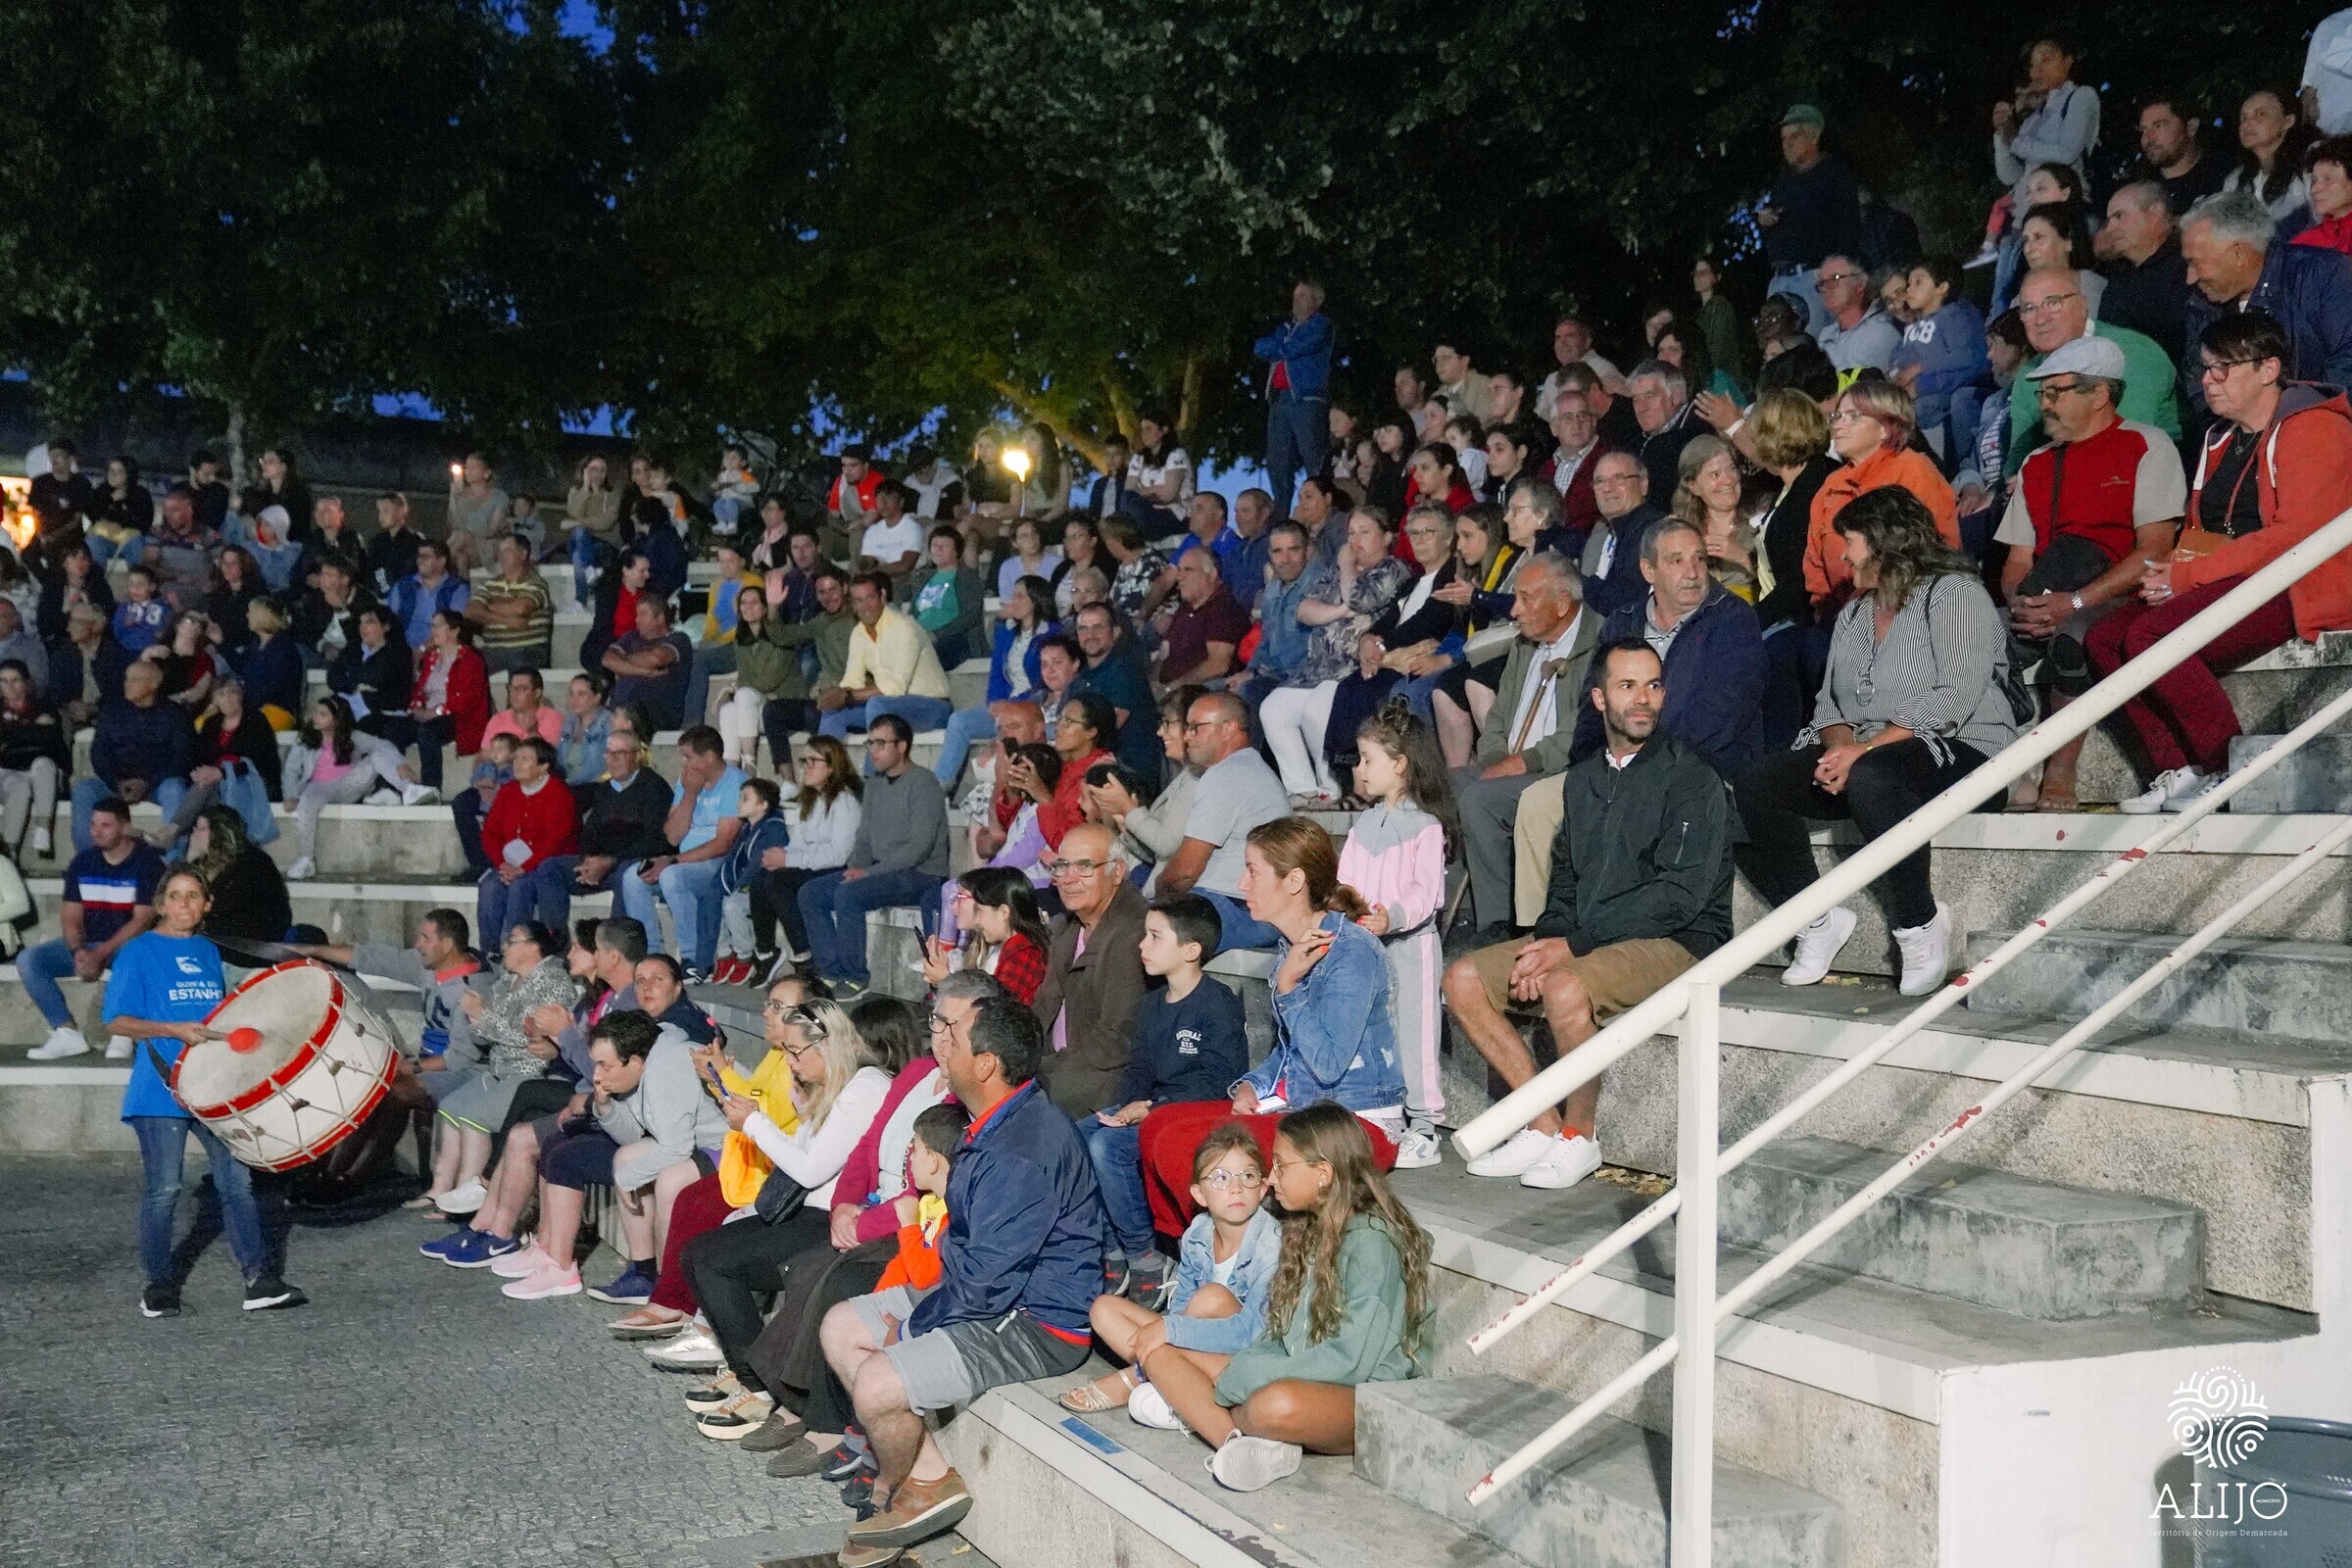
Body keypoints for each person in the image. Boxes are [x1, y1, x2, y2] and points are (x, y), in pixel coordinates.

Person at [816, 997, 1100, 1560]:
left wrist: (911, 1328)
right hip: (986, 1293)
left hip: (1036, 1324)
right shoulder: (999, 1120)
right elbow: (973, 1262)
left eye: (955, 1035)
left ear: (987, 1064)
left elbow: (986, 1286)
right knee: (840, 1326)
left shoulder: (1022, 1150)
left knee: (877, 1382)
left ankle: (897, 1486)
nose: (940, 1043)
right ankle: (928, 1477)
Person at [1741, 487, 2018, 996]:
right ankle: (1815, 920)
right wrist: (1839, 750)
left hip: (1967, 752)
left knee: (1873, 774)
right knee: (1759, 781)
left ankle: (1919, 924)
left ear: (1885, 542)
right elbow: (1831, 706)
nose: (1844, 556)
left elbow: (1955, 697)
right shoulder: (1854, 613)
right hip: (1875, 759)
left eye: (1850, 541)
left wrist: (1863, 752)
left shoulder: (1954, 593)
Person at [2091, 312, 2352, 815]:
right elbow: (2202, 530)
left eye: (2222, 369)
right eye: (2205, 369)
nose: (2208, 381)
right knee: (2104, 637)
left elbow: (2296, 536)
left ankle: (2227, 769)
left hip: (2300, 582)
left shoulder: (2315, 427)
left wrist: (2187, 577)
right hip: (2231, 577)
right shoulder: (2221, 438)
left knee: (2153, 636)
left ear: (2268, 369)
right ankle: (2181, 771)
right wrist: (2170, 574)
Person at [676, 997, 893, 1425]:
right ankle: (748, 1371)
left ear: (827, 1045)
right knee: (696, 1252)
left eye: (795, 1051)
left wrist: (755, 1124)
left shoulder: (865, 1087)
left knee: (716, 1263)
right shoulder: (834, 1084)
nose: (790, 1062)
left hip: (831, 1220)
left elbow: (811, 1170)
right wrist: (783, 1116)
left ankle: (756, 1385)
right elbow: (803, 1157)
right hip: (809, 1209)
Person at [1995, 337, 2188, 812]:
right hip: (2048, 589)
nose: (2044, 403)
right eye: (2042, 393)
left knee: (2075, 635)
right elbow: (2017, 562)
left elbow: (2153, 551)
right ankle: (1998, 767)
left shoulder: (2146, 445)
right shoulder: (2038, 462)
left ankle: (2061, 768)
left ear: (2099, 393)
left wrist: (2074, 602)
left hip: (2117, 594)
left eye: (2055, 392)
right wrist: (2023, 602)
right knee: (1968, 635)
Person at [112, 866, 306, 1316]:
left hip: (213, 1087)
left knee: (237, 1184)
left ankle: (258, 1281)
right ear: (161, 904)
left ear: (206, 905)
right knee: (164, 1189)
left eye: (193, 895)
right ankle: (159, 1285)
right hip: (159, 1089)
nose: (184, 903)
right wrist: (171, 1029)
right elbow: (117, 1021)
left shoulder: (206, 951)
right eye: (175, 895)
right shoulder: (137, 951)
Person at [497, 1005, 731, 1301]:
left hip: (729, 1143)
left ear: (634, 1062)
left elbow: (677, 1147)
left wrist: (626, 1179)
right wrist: (605, 1106)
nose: (596, 1074)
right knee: (625, 1159)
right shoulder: (639, 1062)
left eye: (604, 1066)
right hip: (693, 1140)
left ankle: (667, 1288)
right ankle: (643, 1272)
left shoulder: (667, 1067)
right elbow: (632, 1135)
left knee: (657, 1177)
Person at [1080, 894, 1248, 1302]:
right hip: (1156, 1107)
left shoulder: (1218, 1003)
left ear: (1191, 951)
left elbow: (1221, 1080)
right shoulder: (1153, 1003)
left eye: (1155, 937)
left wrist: (1152, 1108)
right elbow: (1138, 1069)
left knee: (1107, 1148)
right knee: (1080, 1136)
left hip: (1196, 1113)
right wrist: (1123, 1108)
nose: (1143, 945)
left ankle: (1146, 1255)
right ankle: (1111, 1245)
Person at [1060, 1122, 1283, 1415]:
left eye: (1248, 1176)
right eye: (1220, 1177)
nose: (1236, 1188)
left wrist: (1171, 1331)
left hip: (1243, 1358)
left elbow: (1251, 1333)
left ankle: (1137, 1377)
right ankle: (1167, 1375)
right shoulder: (1197, 1234)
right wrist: (1171, 1330)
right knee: (1104, 1309)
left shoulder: (1272, 1245)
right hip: (1195, 1345)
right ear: (1199, 1194)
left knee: (1212, 1297)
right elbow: (1182, 1306)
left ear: (1263, 1188)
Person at [1331, 704, 1455, 1171]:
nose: (1360, 770)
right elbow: (1346, 881)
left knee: (1415, 1031)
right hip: (1366, 946)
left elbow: (1426, 893)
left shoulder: (1425, 826)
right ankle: (1384, 1117)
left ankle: (1424, 1125)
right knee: (1375, 1029)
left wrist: (1393, 917)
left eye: (1368, 760)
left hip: (1410, 947)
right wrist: (1343, 909)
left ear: (1400, 763)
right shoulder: (1364, 825)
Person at [1451, 551, 1597, 936]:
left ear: (1562, 604)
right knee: (1441, 784)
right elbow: (1498, 716)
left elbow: (1582, 729)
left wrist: (1522, 763)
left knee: (1480, 799)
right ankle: (1438, 910)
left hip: (1558, 770)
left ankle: (1499, 925)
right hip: (1512, 764)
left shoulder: (1598, 645)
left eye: (1526, 599)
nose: (1514, 610)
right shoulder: (1525, 644)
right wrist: (1496, 758)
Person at [1261, 507, 1413, 806]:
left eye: (1364, 532)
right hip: (1317, 669)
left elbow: (1361, 599)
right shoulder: (1334, 572)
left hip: (1352, 668)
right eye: (1351, 533)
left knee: (1316, 711)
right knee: (1273, 709)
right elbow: (1304, 610)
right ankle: (1302, 789)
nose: (1355, 540)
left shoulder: (1392, 569)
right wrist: (1343, 610)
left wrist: (1346, 568)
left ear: (1386, 537)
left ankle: (1332, 787)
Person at [424, 920, 577, 1213]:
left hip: (531, 1072)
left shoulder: (552, 981)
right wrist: (476, 1019)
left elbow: (527, 1035)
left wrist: (482, 1016)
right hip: (499, 1070)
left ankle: (472, 1200)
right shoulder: (507, 980)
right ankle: (441, 1190)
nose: (503, 946)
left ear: (533, 948)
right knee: (450, 1107)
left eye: (512, 940)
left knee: (474, 1117)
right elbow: (484, 1035)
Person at [798, 714, 950, 997]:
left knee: (848, 895)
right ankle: (830, 973)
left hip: (921, 874)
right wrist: (855, 867)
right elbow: (864, 838)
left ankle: (855, 977)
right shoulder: (875, 785)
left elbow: (919, 848)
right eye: (870, 743)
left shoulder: (923, 783)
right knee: (811, 893)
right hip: (882, 870)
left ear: (902, 746)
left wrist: (868, 873)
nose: (873, 750)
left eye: (880, 743)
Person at [22, 797, 164, 1061]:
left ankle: (123, 1030)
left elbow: (141, 921)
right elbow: (70, 915)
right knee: (30, 959)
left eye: (105, 825)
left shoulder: (148, 863)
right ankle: (66, 1031)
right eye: (93, 824)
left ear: (124, 827)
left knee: (133, 953)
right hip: (89, 944)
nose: (96, 832)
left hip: (125, 944)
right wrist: (78, 950)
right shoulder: (83, 861)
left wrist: (100, 954)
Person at [2006, 265, 2181, 474]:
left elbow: (2124, 447)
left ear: (2083, 306)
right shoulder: (2029, 375)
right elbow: (2018, 464)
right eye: (2029, 309)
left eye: (2053, 303)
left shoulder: (2131, 353)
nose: (2041, 319)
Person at [1806, 379, 1961, 615]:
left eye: (1853, 416)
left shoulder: (1913, 471)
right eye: (1837, 416)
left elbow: (1935, 550)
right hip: (1843, 615)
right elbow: (1814, 562)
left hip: (1909, 609)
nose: (1838, 425)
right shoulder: (1831, 486)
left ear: (1886, 428)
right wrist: (1827, 613)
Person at [2180, 190, 2352, 397]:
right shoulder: (2202, 305)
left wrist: (2298, 411)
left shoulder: (2323, 276)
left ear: (2238, 253)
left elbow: (2347, 361)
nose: (2190, 278)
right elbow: (2199, 387)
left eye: (2196, 263)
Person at [619, 725, 743, 978]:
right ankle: (651, 955)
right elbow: (673, 835)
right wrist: (690, 794)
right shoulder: (687, 783)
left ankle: (695, 958)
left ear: (710, 757)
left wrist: (673, 861)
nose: (684, 764)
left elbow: (723, 844)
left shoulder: (735, 783)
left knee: (672, 877)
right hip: (683, 860)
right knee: (633, 876)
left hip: (719, 863)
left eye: (688, 757)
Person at [749, 736, 862, 972]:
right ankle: (765, 951)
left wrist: (788, 860)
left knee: (778, 881)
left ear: (831, 767)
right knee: (763, 875)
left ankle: (805, 954)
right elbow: (799, 843)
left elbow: (838, 854)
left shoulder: (844, 801)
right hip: (813, 863)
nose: (806, 768)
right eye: (804, 761)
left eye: (813, 761)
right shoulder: (809, 800)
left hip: (838, 868)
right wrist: (781, 856)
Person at [280, 696, 418, 881]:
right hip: (319, 787)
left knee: (377, 755)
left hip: (349, 784)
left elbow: (382, 744)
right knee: (306, 803)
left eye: (323, 714)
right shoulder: (305, 740)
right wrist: (290, 795)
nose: (316, 717)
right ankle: (307, 859)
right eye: (316, 712)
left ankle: (409, 791)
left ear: (337, 719)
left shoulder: (353, 737)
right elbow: (291, 769)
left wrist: (399, 763)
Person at [150, 673, 282, 854]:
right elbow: (200, 758)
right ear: (214, 699)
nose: (227, 698)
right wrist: (198, 772)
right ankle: (184, 842)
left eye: (232, 692)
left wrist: (222, 773)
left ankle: (173, 832)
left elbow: (260, 762)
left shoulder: (256, 721)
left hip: (251, 782)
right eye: (221, 694)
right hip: (216, 785)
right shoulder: (211, 724)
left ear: (241, 695)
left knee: (206, 785)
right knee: (202, 785)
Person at [72, 661, 191, 855]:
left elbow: (182, 757)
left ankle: (174, 859)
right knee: (84, 790)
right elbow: (100, 753)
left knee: (175, 789)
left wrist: (147, 783)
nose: (127, 684)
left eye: (135, 680)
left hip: (157, 785)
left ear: (154, 684)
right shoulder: (112, 712)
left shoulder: (174, 715)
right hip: (118, 784)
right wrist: (117, 782)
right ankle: (88, 859)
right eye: (127, 679)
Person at [1760, 105, 1862, 332]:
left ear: (1814, 137)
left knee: (1814, 346)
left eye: (1794, 136)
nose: (1786, 144)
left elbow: (1849, 230)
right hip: (1780, 280)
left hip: (1814, 280)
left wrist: (1835, 276)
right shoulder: (1783, 181)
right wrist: (1767, 223)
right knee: (1779, 346)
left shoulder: (1835, 175)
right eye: (1783, 138)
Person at [820, 572, 953, 740]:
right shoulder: (858, 633)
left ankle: (875, 757)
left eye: (870, 598)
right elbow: (853, 680)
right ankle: (825, 757)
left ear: (882, 597)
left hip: (933, 706)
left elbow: (896, 687)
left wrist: (848, 697)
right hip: (890, 707)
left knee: (877, 704)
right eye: (859, 600)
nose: (866, 606)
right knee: (832, 712)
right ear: (852, 605)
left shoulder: (904, 627)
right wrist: (835, 695)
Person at [473, 737, 578, 943]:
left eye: (525, 759)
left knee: (520, 887)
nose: (517, 764)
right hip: (509, 864)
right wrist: (501, 864)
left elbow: (555, 840)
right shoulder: (508, 791)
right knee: (489, 886)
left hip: (543, 864)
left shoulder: (559, 793)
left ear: (543, 766)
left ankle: (516, 947)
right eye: (516, 758)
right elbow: (490, 833)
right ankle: (490, 950)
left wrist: (524, 868)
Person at [376, 609, 487, 794]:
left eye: (438, 626)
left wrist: (435, 712)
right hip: (429, 714)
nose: (433, 630)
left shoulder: (470, 658)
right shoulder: (431, 658)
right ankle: (391, 789)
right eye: (432, 626)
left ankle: (430, 790)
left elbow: (466, 698)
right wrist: (417, 707)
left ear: (454, 631)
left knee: (427, 732)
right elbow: (420, 690)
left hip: (458, 717)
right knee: (392, 730)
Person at [709, 776, 795, 984]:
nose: (739, 803)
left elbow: (756, 867)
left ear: (763, 805)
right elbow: (733, 862)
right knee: (712, 896)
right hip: (749, 886)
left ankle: (745, 955)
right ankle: (724, 952)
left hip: (764, 890)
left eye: (745, 798)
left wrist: (733, 889)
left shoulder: (773, 829)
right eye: (740, 798)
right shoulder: (748, 828)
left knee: (731, 904)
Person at [0, 659, 67, 858]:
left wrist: (12, 737)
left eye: (15, 680)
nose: (9, 686)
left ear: (26, 682)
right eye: (3, 681)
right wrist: (32, 731)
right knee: (19, 787)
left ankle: (42, 829)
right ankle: (10, 851)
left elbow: (51, 745)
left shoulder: (44, 708)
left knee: (43, 764)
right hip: (7, 773)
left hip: (38, 772)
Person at [2224, 88, 2319, 228]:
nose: (2247, 124)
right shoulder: (2236, 180)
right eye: (2243, 118)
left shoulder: (2312, 166)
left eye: (2260, 114)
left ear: (2288, 121)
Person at [602, 595, 694, 734]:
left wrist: (623, 660)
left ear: (660, 618)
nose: (637, 619)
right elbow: (607, 660)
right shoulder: (630, 637)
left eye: (643, 614)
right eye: (637, 615)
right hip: (620, 709)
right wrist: (645, 671)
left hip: (656, 713)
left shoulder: (679, 639)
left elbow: (655, 659)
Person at [1157, 549, 1250, 688]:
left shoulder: (1223, 609)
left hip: (1199, 691)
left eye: (1188, 570)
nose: (1179, 577)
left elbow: (1218, 666)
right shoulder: (1186, 608)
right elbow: (1165, 650)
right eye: (1179, 570)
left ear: (1211, 575)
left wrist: (1174, 687)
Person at [466, 533, 554, 675]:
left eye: (507, 550)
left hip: (526, 649)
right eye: (500, 551)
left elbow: (520, 609)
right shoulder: (490, 584)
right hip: (492, 651)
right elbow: (470, 612)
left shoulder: (536, 583)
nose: (501, 556)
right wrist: (506, 620)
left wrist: (488, 607)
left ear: (523, 554)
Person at [908, 525, 986, 669]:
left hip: (955, 639)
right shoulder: (922, 579)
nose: (938, 550)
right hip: (921, 637)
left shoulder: (967, 578)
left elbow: (969, 616)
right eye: (934, 545)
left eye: (945, 546)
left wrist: (936, 634)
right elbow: (913, 613)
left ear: (957, 551)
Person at [2136, 96, 2230, 214]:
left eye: (2159, 125)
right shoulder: (2139, 186)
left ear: (2191, 127)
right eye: (2143, 130)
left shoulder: (2225, 179)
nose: (2148, 138)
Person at [325, 604, 412, 731]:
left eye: (370, 622)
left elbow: (375, 679)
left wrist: (350, 677)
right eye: (361, 622)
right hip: (350, 706)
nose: (363, 627)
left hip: (381, 712)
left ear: (385, 626)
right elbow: (333, 677)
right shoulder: (354, 648)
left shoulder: (398, 653)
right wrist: (356, 687)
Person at [1813, 254, 1901, 373]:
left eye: (1835, 278)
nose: (1826, 288)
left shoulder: (1881, 329)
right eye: (1822, 283)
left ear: (1860, 284)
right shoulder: (1826, 335)